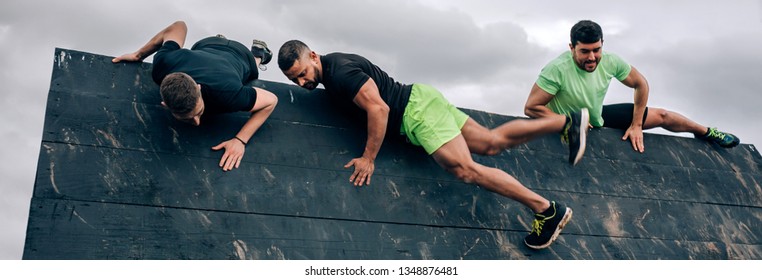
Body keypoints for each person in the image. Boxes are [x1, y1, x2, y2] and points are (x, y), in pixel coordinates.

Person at [277, 40, 589, 249]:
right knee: (491, 143)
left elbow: (379, 109)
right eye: (295, 80)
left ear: (313, 56)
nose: (303, 83)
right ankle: (565, 122)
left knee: (466, 170)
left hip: (417, 112)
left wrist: (368, 158)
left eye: (303, 73)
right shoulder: (332, 70)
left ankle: (547, 210)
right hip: (424, 99)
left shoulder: (340, 73)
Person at [524, 20, 740, 153]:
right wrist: (568, 121)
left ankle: (707, 132)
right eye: (584, 51)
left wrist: (636, 125)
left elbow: (641, 84)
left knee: (662, 115)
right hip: (565, 125)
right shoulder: (557, 69)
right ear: (572, 48)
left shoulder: (610, 61)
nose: (592, 57)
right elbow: (532, 107)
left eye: (596, 50)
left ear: (602, 45)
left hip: (596, 117)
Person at [112, 21, 278, 171]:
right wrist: (138, 56)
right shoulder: (163, 65)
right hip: (208, 43)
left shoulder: (228, 93)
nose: (197, 122)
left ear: (198, 88)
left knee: (252, 71)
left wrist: (240, 140)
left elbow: (271, 101)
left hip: (241, 55)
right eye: (188, 118)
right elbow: (179, 26)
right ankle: (220, 40)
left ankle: (258, 53)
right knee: (207, 51)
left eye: (198, 113)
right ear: (165, 104)